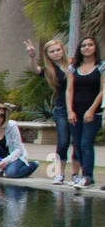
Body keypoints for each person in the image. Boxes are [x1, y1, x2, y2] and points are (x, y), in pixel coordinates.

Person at [26, 36, 72, 184]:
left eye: (58, 49)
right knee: (63, 141)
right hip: (60, 108)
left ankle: (78, 174)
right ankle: (60, 173)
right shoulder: (49, 70)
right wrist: (32, 57)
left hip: (78, 107)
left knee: (78, 142)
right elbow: (35, 70)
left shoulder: (72, 64)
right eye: (52, 51)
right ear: (48, 55)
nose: (56, 53)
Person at [66, 35, 103, 188]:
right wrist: (70, 111)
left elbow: (103, 90)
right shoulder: (73, 68)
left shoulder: (101, 66)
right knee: (77, 144)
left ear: (95, 48)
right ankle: (81, 174)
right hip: (76, 111)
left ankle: (88, 175)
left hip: (93, 113)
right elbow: (69, 90)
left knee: (86, 143)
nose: (86, 48)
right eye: (83, 45)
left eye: (90, 45)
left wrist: (91, 110)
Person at [0, 102, 38, 178]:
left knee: (11, 173)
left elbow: (18, 150)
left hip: (14, 156)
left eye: (2, 116)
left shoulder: (11, 126)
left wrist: (6, 161)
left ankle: (32, 165)